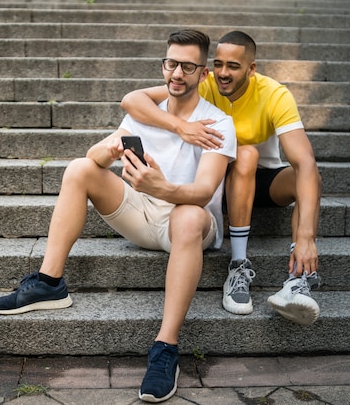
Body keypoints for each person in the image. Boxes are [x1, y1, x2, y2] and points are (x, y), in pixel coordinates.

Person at [0, 29, 237, 403]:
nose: (177, 74)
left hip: (188, 224)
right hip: (140, 215)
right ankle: (49, 283)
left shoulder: (218, 124)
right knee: (78, 168)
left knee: (187, 215)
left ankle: (165, 348)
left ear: (203, 74)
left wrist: (160, 187)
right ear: (163, 66)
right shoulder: (146, 113)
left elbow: (203, 192)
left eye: (188, 66)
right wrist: (110, 152)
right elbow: (94, 156)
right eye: (172, 64)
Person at [120, 30, 322, 326]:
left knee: (305, 175)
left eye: (233, 66)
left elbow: (304, 161)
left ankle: (297, 280)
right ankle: (238, 264)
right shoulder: (204, 82)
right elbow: (131, 100)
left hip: (261, 181)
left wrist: (306, 238)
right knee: (246, 155)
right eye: (218, 64)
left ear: (251, 69)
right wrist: (179, 126)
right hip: (210, 186)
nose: (223, 73)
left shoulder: (275, 94)